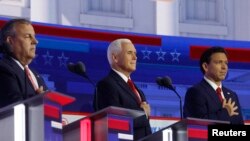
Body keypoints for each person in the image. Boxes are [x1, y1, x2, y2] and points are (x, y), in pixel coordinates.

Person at [93, 38, 152, 140]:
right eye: (129, 53)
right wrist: (143, 113)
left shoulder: (138, 90)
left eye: (135, 53)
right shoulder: (106, 85)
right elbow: (114, 122)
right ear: (115, 57)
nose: (135, 57)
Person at [183, 46, 244, 124]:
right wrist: (225, 112)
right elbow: (198, 125)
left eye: (226, 63)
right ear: (205, 66)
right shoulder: (195, 92)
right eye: (219, 62)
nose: (224, 67)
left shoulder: (232, 95)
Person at [0, 18, 48, 108]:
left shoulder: (36, 76)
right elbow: (13, 108)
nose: (35, 41)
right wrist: (37, 102)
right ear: (10, 41)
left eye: (34, 36)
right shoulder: (3, 69)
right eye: (28, 36)